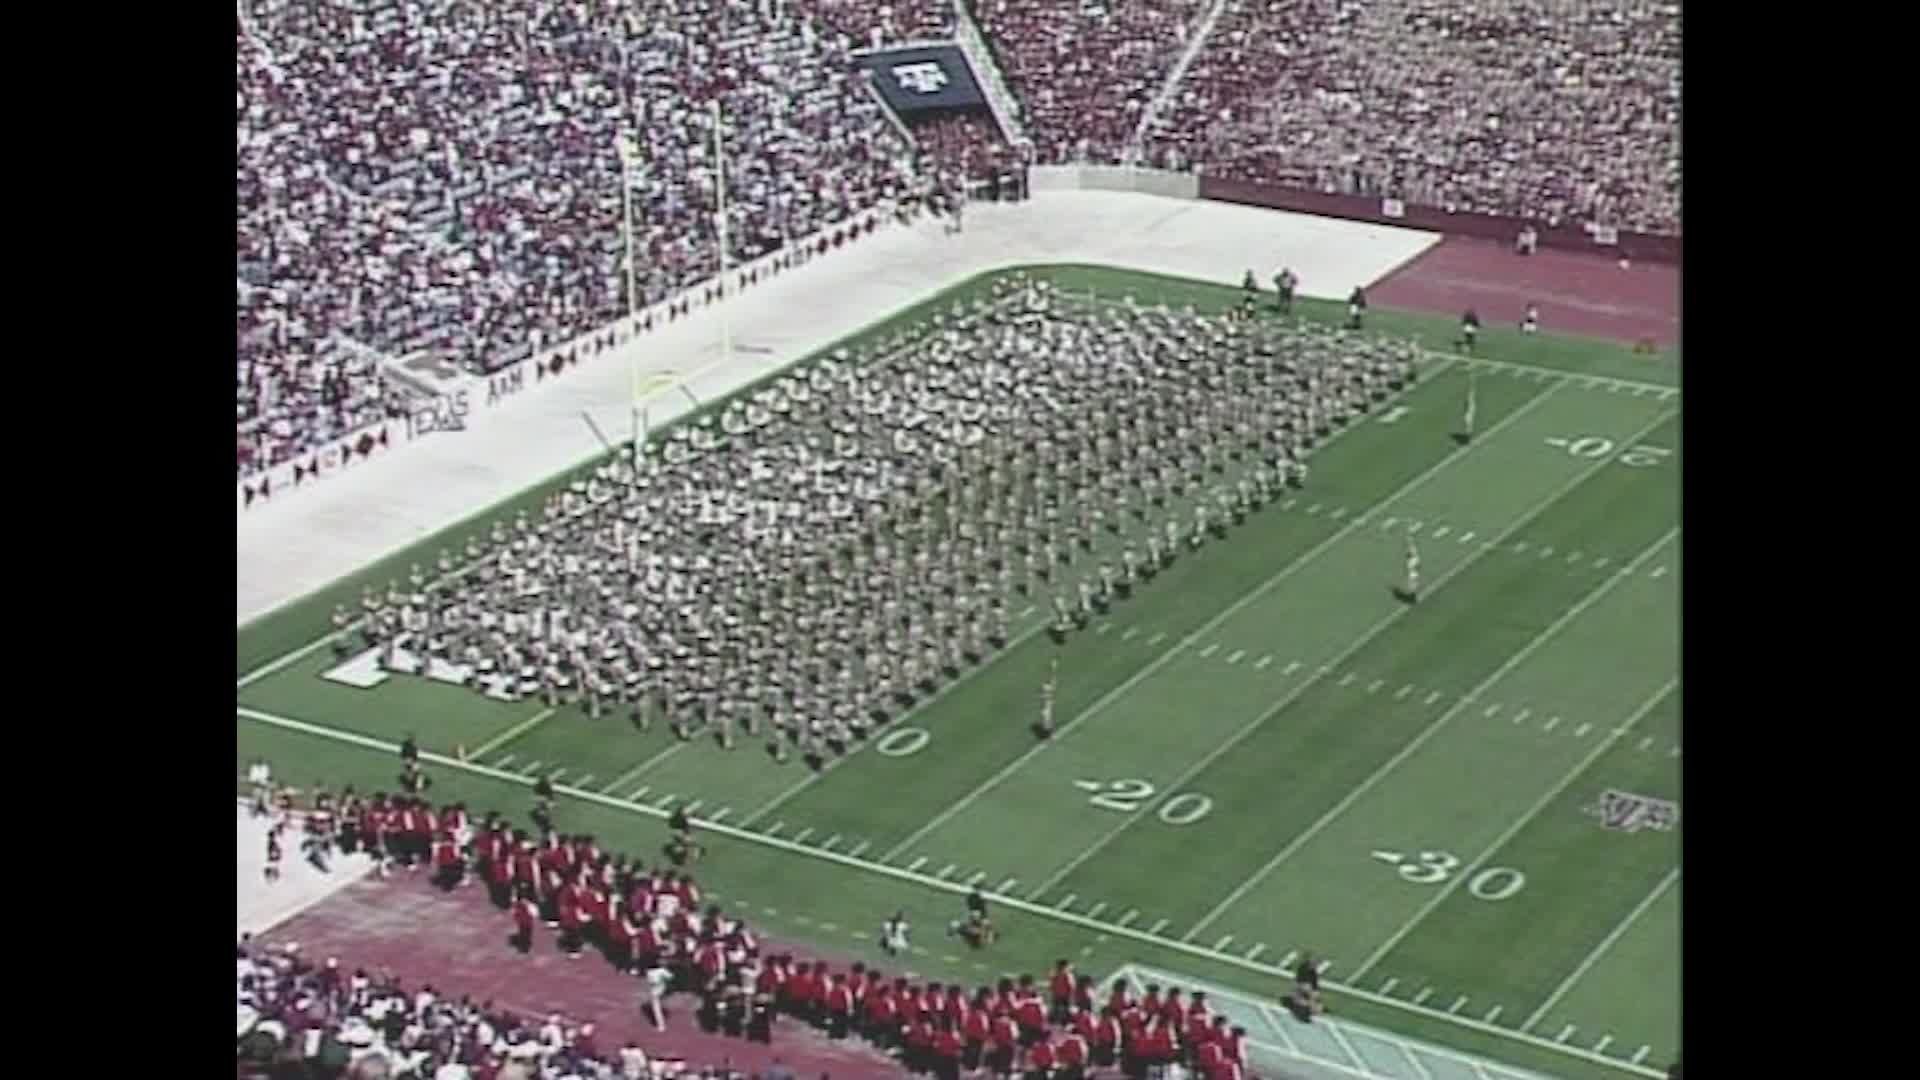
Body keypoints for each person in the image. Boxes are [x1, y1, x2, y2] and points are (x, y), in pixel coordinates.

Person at [1402, 538, 1420, 603]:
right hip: (1414, 573)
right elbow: (1413, 549)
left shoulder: (1411, 561)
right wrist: (1410, 542)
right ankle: (1413, 596)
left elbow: (1415, 566)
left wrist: (1410, 542)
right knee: (1413, 585)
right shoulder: (1414, 558)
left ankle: (1413, 596)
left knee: (1412, 585)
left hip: (1413, 574)